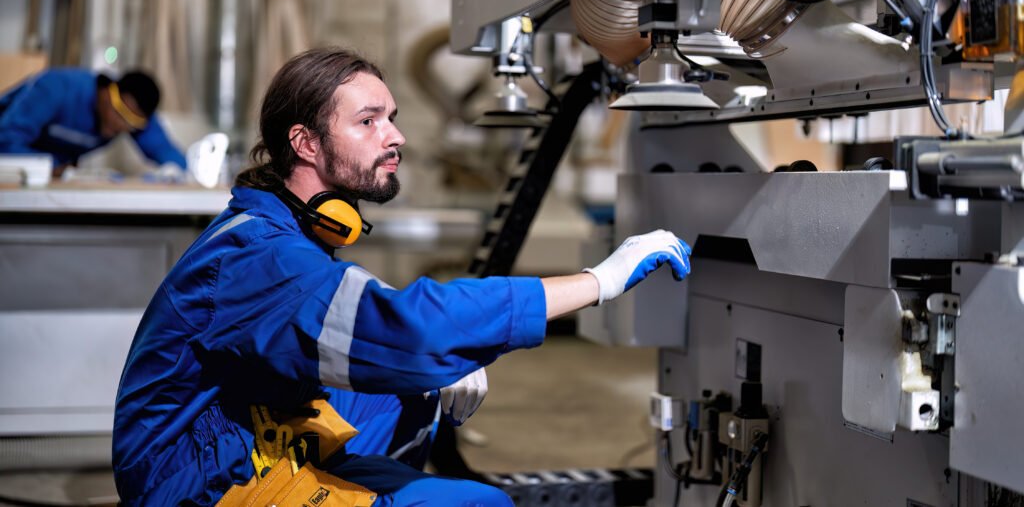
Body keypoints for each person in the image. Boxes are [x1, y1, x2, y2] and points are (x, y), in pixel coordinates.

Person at [112, 47, 691, 506]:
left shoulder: (279, 225)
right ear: (306, 143)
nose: (396, 136)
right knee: (476, 504)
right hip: (200, 485)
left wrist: (428, 378)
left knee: (414, 390)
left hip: (243, 435)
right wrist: (599, 281)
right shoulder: (262, 256)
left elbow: (360, 335)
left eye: (391, 118)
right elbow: (406, 330)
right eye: (369, 121)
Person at [0, 67, 186, 174]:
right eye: (120, 114)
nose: (122, 126)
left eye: (131, 124)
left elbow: (168, 153)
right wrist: (51, 166)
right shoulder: (56, 88)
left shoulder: (132, 116)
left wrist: (178, 172)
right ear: (107, 92)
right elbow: (6, 139)